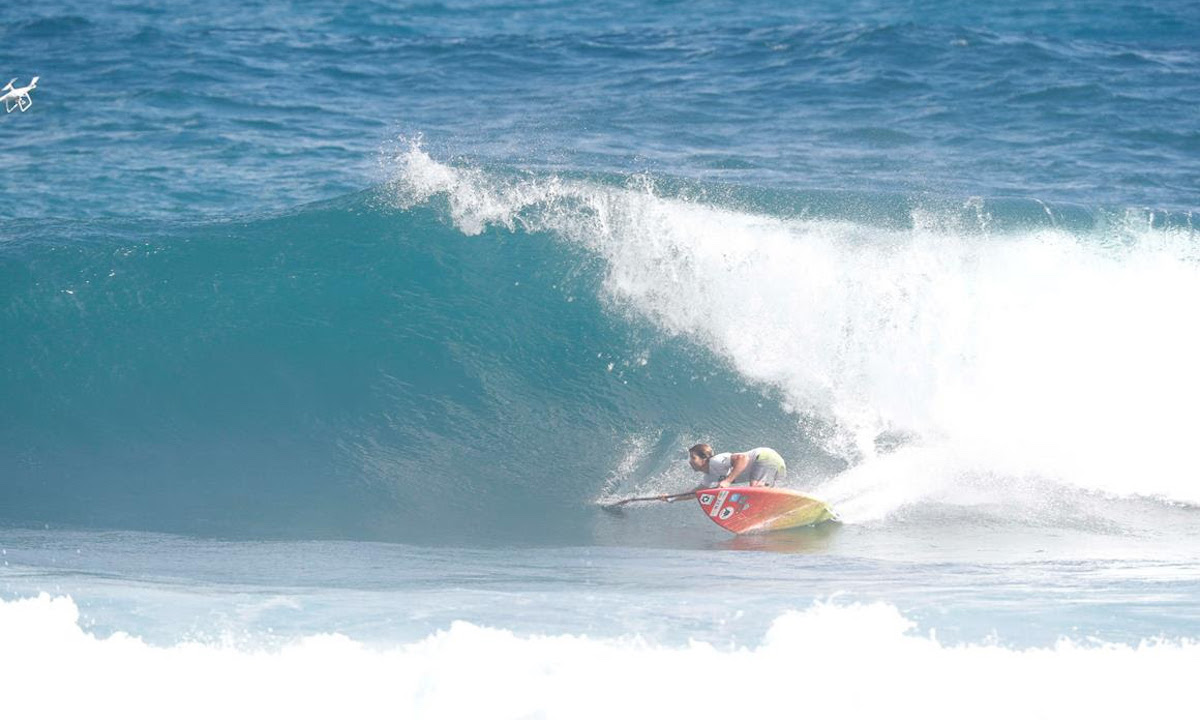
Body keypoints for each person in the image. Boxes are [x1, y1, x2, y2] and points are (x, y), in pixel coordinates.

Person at [687, 443, 787, 488]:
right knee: (767, 495)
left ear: (704, 458)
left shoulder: (716, 461)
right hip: (775, 465)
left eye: (693, 457)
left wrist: (727, 481)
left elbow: (743, 458)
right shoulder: (709, 477)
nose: (690, 461)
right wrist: (673, 498)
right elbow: (696, 493)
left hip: (765, 457)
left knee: (755, 490)